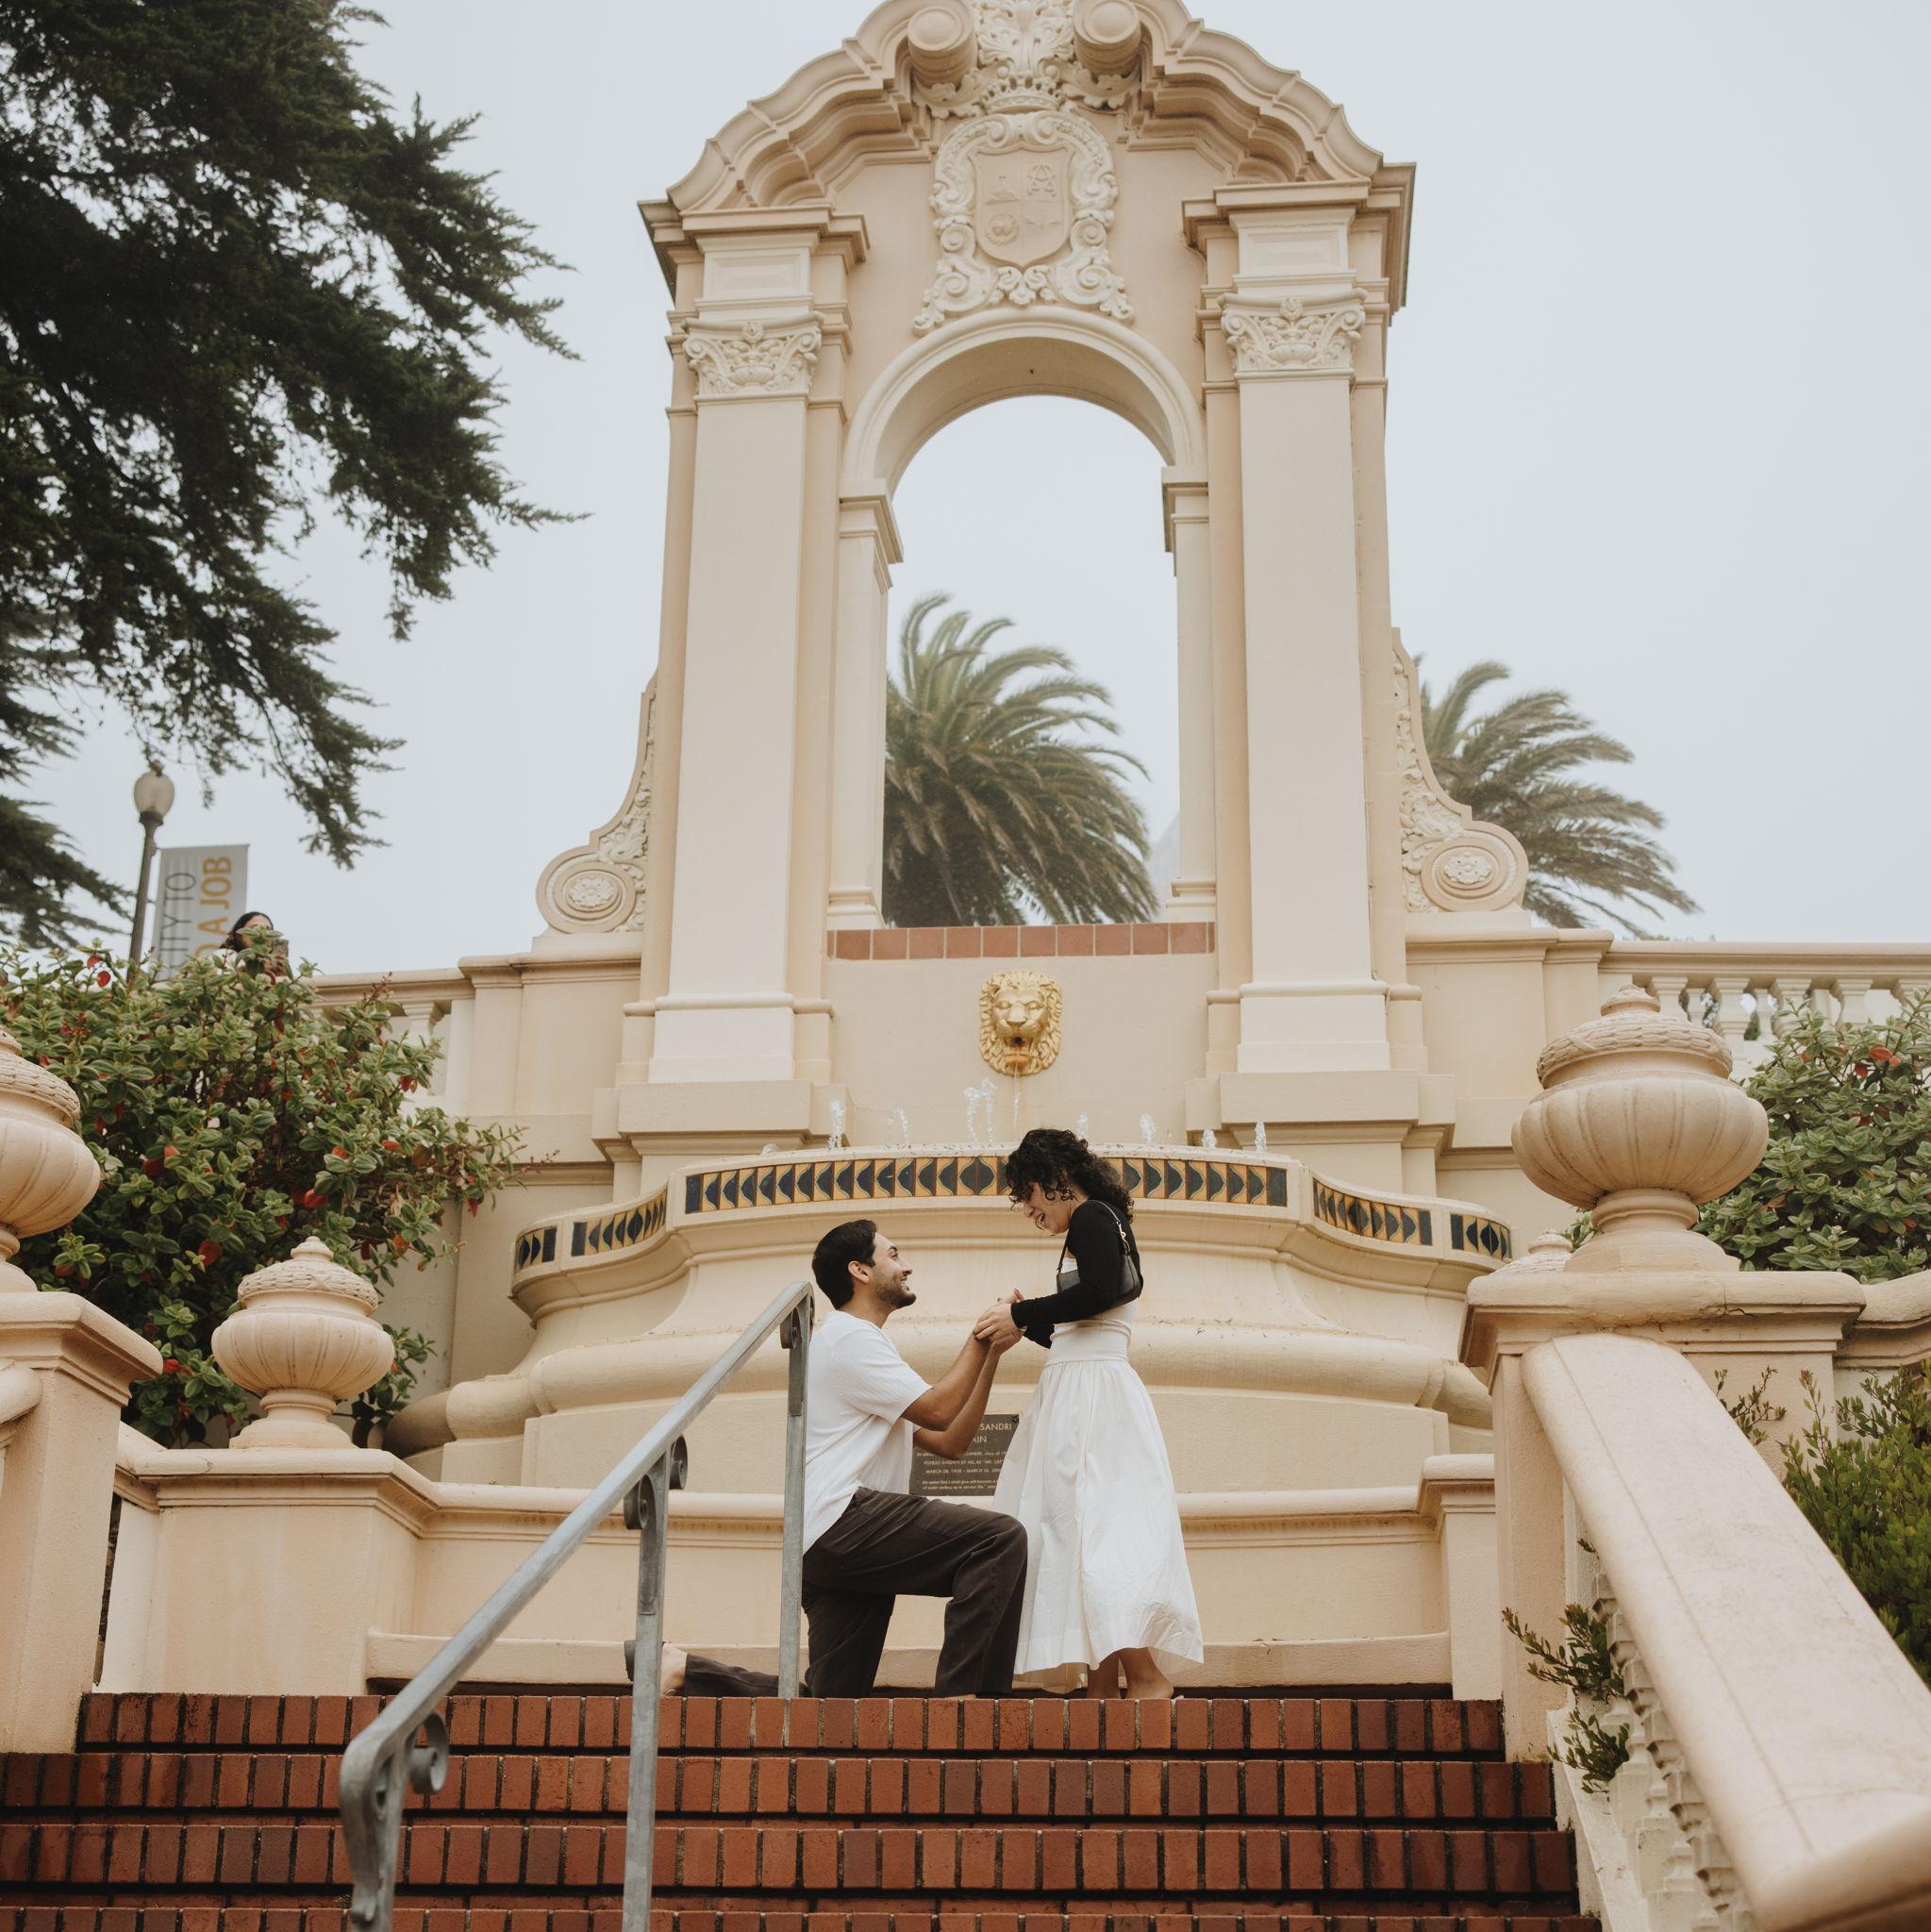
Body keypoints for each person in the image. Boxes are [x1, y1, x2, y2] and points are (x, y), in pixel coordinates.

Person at [974, 1127, 1203, 1699]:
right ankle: (1103, 1682)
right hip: (1083, 1390)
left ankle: (1145, 1678)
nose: (1027, 1209)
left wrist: (1023, 1313)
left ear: (1053, 1178)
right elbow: (1082, 1329)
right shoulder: (1096, 1222)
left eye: (1027, 1193)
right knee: (1079, 1530)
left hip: (1092, 1401)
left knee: (1091, 1528)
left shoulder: (1093, 1217)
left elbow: (1104, 1290)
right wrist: (1027, 1322)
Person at [801, 1217, 1029, 1696]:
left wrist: (990, 1355)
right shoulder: (851, 1339)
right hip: (845, 1518)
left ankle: (686, 1670)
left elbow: (951, 1442)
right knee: (998, 1539)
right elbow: (938, 1410)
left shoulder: (855, 1344)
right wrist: (980, 1334)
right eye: (893, 1255)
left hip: (826, 1539)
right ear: (860, 1271)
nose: (906, 1266)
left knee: (830, 1708)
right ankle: (964, 1706)